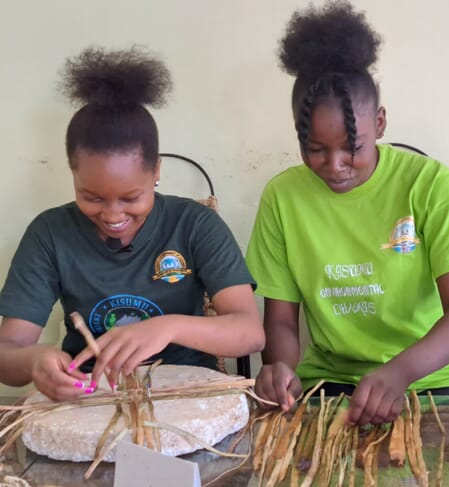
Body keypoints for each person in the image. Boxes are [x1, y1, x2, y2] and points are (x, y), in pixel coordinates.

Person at [247, 1, 449, 426]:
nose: (335, 164)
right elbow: (283, 322)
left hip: (438, 378)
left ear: (380, 124)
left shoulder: (429, 184)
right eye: (315, 149)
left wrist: (398, 372)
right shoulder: (282, 197)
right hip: (332, 383)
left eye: (353, 147)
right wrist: (281, 369)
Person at [0, 46, 264, 402]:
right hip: (92, 400)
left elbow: (250, 332)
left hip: (188, 398)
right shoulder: (50, 234)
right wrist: (36, 360)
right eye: (91, 197)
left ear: (156, 171)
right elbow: (7, 354)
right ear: (73, 173)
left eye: (130, 198)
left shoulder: (194, 224)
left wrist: (166, 327)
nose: (112, 215)